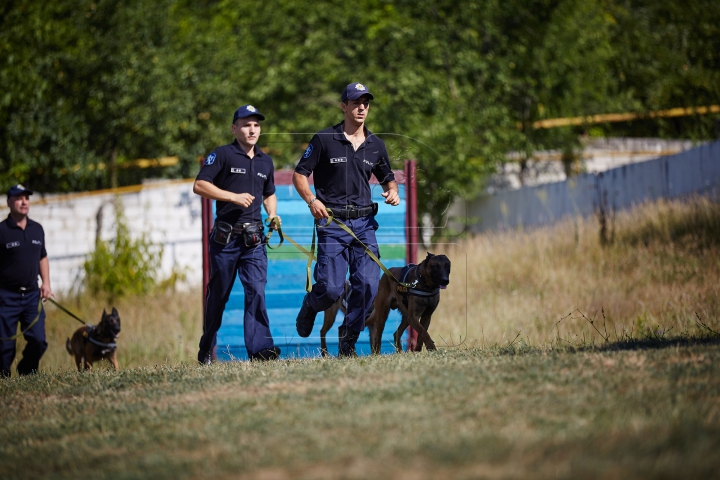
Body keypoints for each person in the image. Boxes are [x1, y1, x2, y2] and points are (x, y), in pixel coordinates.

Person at [293, 82, 400, 356]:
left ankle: (348, 342)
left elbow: (388, 178)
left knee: (367, 285)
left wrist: (392, 192)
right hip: (332, 224)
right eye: (355, 102)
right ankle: (310, 304)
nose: (362, 107)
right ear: (344, 106)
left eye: (366, 102)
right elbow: (299, 175)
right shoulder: (324, 139)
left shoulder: (376, 145)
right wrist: (311, 200)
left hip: (364, 226)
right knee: (330, 289)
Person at [193, 105, 281, 363]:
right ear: (234, 128)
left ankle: (260, 350)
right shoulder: (222, 155)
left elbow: (269, 193)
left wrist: (272, 214)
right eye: (246, 124)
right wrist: (232, 196)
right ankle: (206, 348)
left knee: (256, 290)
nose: (252, 129)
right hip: (225, 240)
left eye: (256, 125)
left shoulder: (266, 161)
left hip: (254, 240)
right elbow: (200, 185)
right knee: (218, 295)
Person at [0, 184, 53, 377]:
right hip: (6, 297)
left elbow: (42, 257)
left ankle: (26, 372)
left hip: (32, 295)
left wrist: (46, 283)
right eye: (19, 198)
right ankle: (3, 380)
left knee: (39, 340)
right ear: (9, 202)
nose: (24, 202)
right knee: (4, 346)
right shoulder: (2, 231)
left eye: (27, 198)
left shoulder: (37, 229)